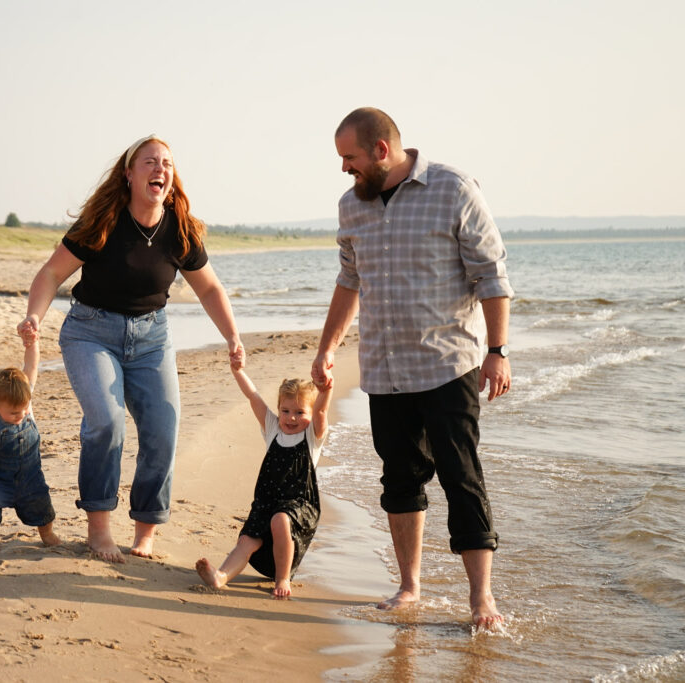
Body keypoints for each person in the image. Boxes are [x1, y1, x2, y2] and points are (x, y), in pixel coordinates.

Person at [312, 107, 513, 631]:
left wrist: (498, 350)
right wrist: (327, 347)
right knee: (399, 480)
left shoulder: (453, 189)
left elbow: (491, 274)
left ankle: (481, 598)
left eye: (349, 158)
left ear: (381, 150)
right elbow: (348, 281)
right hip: (384, 367)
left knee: (462, 478)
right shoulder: (350, 207)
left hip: (449, 364)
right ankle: (409, 586)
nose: (344, 169)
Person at [19, 135, 244, 563]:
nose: (160, 169)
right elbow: (50, 274)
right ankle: (99, 529)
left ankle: (146, 530)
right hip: (90, 331)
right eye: (149, 162)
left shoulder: (179, 230)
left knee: (162, 429)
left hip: (151, 338)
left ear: (172, 179)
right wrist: (35, 316)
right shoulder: (102, 221)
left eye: (167, 164)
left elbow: (210, 288)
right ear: (129, 173)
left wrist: (233, 337)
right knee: (106, 423)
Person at [196, 363, 333, 598]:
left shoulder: (311, 436)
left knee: (281, 519)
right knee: (247, 541)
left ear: (310, 415)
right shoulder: (273, 429)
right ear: (278, 409)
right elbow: (253, 396)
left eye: (300, 412)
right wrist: (238, 371)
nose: (291, 418)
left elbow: (321, 411)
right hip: (266, 503)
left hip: (299, 505)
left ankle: (282, 579)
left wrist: (325, 388)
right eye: (285, 410)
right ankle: (221, 576)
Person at [0, 335, 60, 552]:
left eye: (25, 408)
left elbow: (31, 366)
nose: (22, 414)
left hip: (30, 475)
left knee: (41, 505)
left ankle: (47, 533)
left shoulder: (25, 402)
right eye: (14, 412)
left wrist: (32, 344)